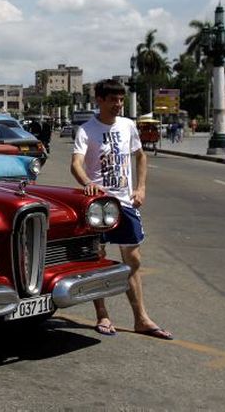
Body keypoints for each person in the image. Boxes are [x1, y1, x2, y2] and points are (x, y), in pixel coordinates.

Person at [70, 79, 173, 340]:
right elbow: (76, 164)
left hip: (126, 203)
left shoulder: (128, 125)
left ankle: (141, 318)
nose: (118, 104)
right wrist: (88, 183)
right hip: (100, 205)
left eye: (120, 100)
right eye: (113, 100)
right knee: (98, 258)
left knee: (133, 260)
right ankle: (102, 314)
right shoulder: (86, 130)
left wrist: (141, 188)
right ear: (100, 100)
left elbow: (141, 156)